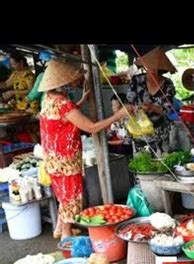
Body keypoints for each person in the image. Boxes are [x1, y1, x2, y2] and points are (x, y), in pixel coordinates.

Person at [38, 59, 133, 240]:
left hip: (52, 157)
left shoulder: (48, 99)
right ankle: (66, 235)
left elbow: (64, 117)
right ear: (65, 81)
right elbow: (91, 127)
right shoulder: (63, 103)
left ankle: (60, 228)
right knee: (71, 197)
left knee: (63, 195)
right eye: (76, 78)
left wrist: (81, 100)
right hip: (66, 159)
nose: (79, 80)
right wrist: (119, 115)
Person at [126, 47, 178, 154]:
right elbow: (129, 101)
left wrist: (151, 107)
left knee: (162, 162)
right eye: (150, 67)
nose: (152, 71)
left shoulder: (168, 84)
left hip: (161, 132)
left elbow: (167, 110)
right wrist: (137, 108)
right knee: (142, 163)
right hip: (140, 131)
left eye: (156, 68)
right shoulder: (137, 80)